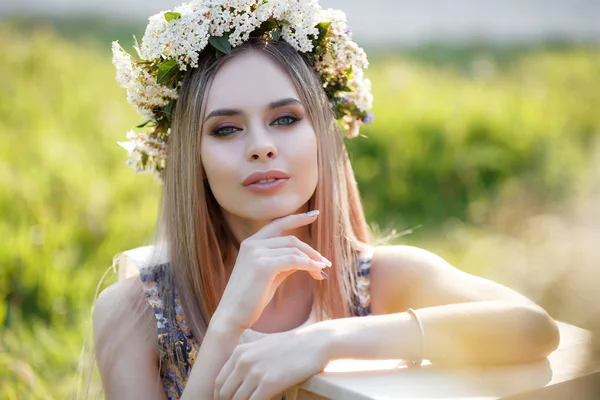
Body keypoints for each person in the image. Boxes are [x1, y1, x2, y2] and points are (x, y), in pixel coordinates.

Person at [92, 1, 560, 399]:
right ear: (192, 156)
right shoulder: (136, 312)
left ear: (323, 135)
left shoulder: (375, 280)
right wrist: (229, 322)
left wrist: (325, 340)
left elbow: (533, 327)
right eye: (226, 129)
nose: (261, 146)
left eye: (286, 119)